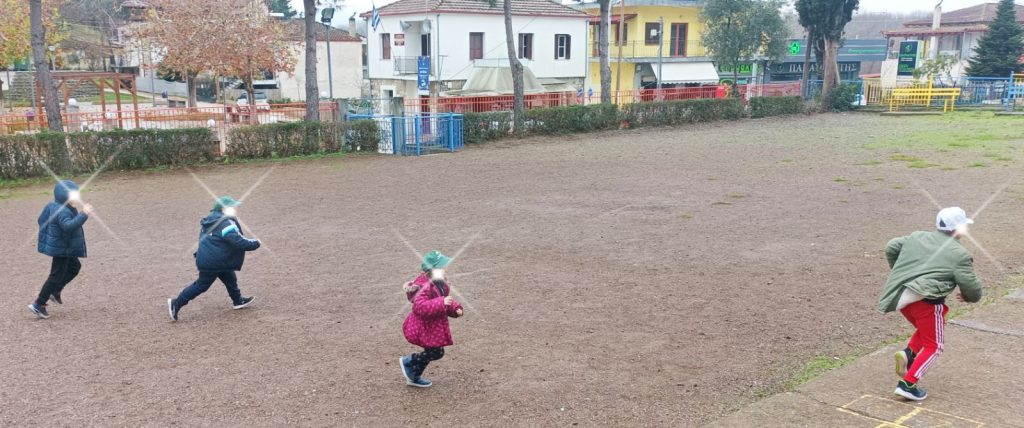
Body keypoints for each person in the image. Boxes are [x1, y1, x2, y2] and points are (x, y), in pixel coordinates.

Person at [878, 207, 984, 401]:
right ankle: (908, 385)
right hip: (926, 303)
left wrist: (901, 272)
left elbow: (891, 246)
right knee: (935, 345)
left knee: (932, 329)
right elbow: (973, 288)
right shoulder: (959, 254)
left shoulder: (917, 237)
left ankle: (908, 354)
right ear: (959, 228)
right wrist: (969, 297)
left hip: (903, 299)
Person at [168, 197, 260, 321]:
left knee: (230, 277)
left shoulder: (209, 220)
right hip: (214, 261)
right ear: (224, 208)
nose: (235, 209)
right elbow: (238, 241)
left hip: (212, 259)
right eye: (232, 207)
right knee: (201, 285)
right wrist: (256, 242)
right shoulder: (225, 222)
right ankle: (176, 303)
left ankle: (238, 301)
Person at [29, 180, 93, 319]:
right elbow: (68, 226)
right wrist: (84, 214)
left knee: (74, 267)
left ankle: (55, 291)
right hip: (62, 249)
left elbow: (41, 220)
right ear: (64, 196)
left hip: (64, 247)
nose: (76, 199)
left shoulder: (55, 206)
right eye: (73, 196)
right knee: (55, 275)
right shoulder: (62, 210)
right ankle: (39, 303)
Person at [400, 251, 463, 388]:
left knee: (433, 352)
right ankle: (408, 362)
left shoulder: (440, 283)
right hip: (423, 327)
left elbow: (445, 300)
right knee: (435, 352)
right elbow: (420, 306)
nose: (445, 269)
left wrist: (455, 308)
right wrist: (441, 302)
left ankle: (413, 375)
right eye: (442, 267)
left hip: (432, 326)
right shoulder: (424, 287)